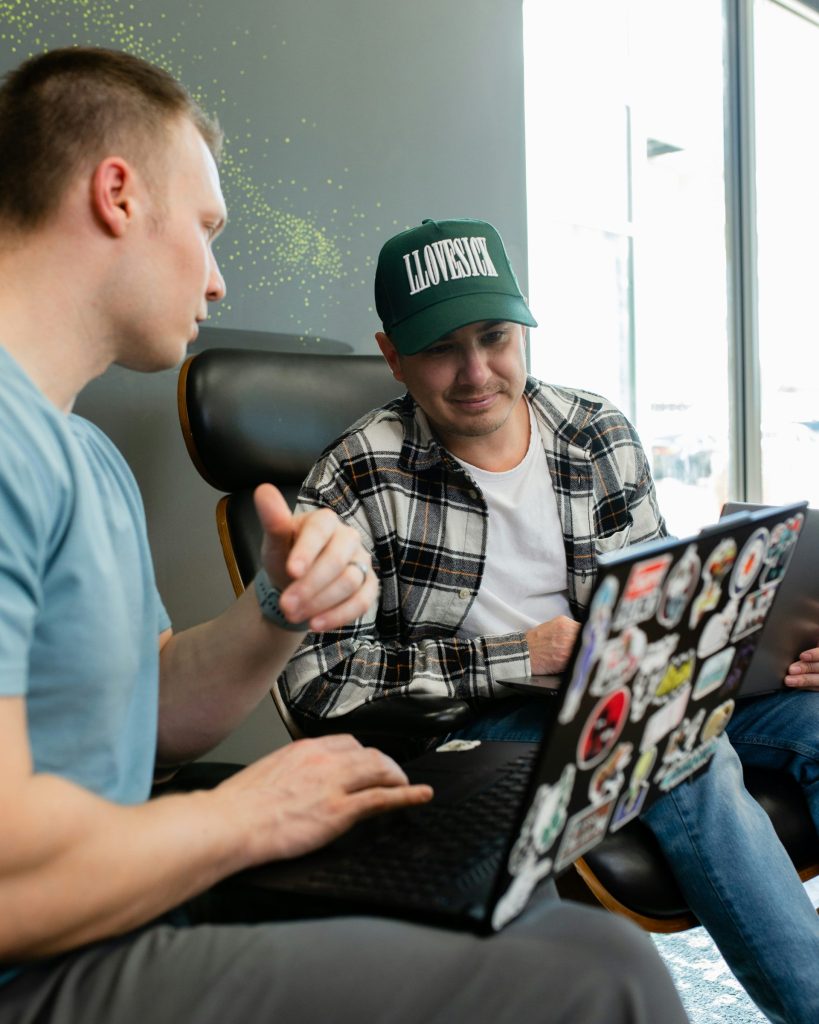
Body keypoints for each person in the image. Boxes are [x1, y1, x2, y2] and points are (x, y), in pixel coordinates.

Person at [0, 48, 692, 1024]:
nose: (219, 282)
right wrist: (238, 818)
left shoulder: (85, 460)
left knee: (532, 905)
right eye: (206, 230)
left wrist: (279, 610)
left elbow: (146, 712)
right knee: (599, 975)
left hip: (136, 894)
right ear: (117, 193)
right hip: (46, 966)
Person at [282, 216, 819, 1024]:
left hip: (630, 691)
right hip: (485, 730)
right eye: (439, 349)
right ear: (392, 355)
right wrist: (513, 658)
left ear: (523, 326)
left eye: (494, 337)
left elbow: (660, 601)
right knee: (677, 752)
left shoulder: (595, 432)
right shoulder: (358, 476)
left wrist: (773, 642)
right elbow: (312, 683)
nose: (475, 372)